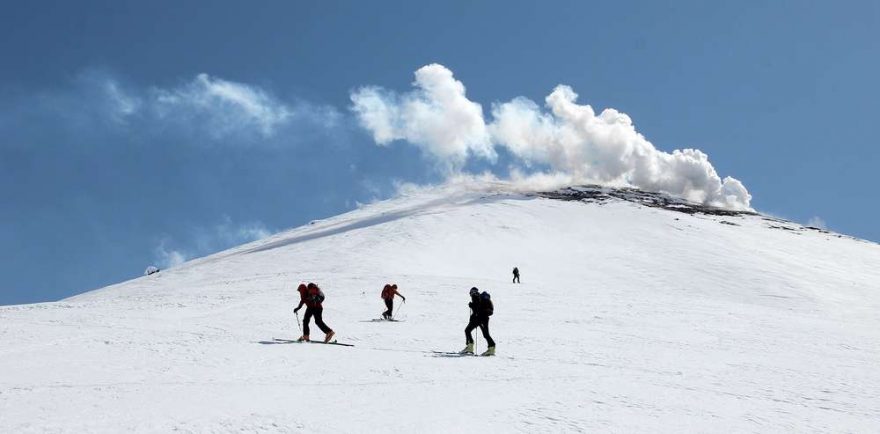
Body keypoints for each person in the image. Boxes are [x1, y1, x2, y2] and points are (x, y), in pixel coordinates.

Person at [461, 287, 495, 356]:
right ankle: (491, 348)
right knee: (485, 334)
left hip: (479, 318)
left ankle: (470, 347)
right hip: (484, 318)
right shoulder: (481, 297)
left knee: (467, 330)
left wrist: (471, 305)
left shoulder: (475, 296)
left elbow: (477, 309)